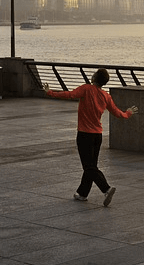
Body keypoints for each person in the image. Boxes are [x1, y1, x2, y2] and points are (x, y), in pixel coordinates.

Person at [43, 68, 137, 206]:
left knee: (89, 167)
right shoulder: (106, 96)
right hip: (97, 136)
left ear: (94, 78)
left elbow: (69, 95)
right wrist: (128, 113)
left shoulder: (86, 89)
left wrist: (49, 92)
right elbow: (117, 113)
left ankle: (106, 188)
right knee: (90, 166)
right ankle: (82, 194)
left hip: (84, 135)